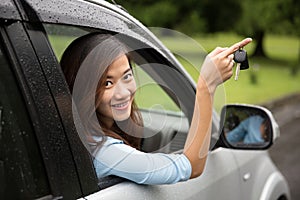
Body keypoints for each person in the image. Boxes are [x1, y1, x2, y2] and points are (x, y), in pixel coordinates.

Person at [60, 32, 252, 185]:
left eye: (127, 76)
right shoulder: (105, 153)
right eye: (107, 83)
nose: (123, 93)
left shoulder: (80, 134)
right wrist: (206, 87)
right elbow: (191, 167)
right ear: (84, 88)